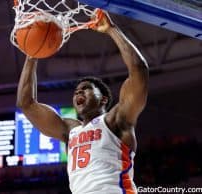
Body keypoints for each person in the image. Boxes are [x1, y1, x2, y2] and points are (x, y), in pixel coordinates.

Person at [16, 10, 149, 194]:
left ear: (103, 99)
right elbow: (26, 104)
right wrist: (32, 54)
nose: (79, 91)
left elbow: (139, 71)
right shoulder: (70, 130)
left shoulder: (116, 121)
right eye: (77, 90)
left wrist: (112, 29)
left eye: (86, 88)